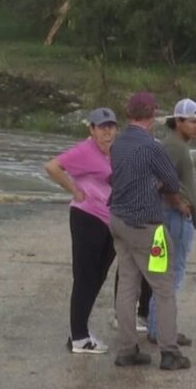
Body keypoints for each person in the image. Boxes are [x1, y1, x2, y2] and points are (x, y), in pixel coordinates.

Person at [108, 91, 191, 371]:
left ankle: (127, 348)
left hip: (118, 219)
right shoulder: (152, 147)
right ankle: (169, 351)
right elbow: (171, 181)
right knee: (164, 287)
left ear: (130, 114)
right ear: (152, 114)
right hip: (147, 226)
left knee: (127, 285)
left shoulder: (118, 144)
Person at [43, 107, 118, 354]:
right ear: (92, 129)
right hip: (87, 217)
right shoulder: (85, 150)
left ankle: (81, 330)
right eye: (102, 127)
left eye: (111, 127)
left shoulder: (112, 152)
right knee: (85, 276)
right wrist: (74, 190)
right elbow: (52, 166)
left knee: (99, 275)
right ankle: (79, 337)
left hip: (108, 220)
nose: (107, 132)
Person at [147, 98, 196, 347]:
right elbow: (162, 180)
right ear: (178, 121)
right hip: (175, 217)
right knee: (172, 274)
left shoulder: (178, 145)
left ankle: (159, 327)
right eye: (192, 122)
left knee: (165, 273)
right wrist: (179, 203)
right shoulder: (174, 147)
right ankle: (162, 330)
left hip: (174, 215)